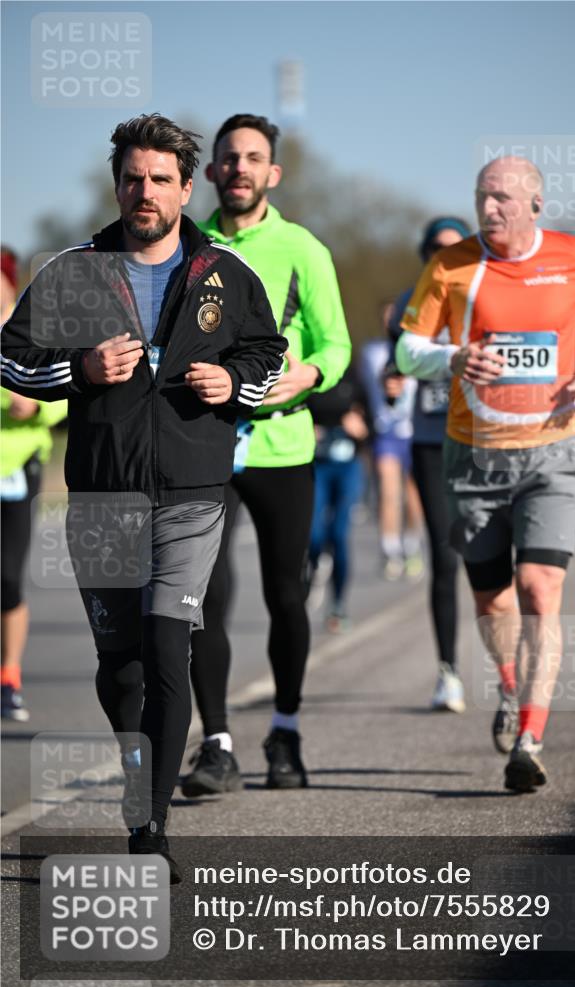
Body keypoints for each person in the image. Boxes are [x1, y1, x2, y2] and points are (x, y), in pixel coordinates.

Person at [1, 114, 287, 878]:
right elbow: (13, 359)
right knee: (120, 665)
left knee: (167, 645)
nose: (146, 191)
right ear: (117, 183)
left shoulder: (223, 272)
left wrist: (235, 383)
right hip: (100, 493)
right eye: (133, 177)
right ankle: (140, 778)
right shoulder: (73, 270)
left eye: (161, 179)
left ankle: (150, 823)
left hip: (193, 491)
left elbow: (266, 354)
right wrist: (78, 371)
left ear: (185, 188)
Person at [397, 156, 575, 792]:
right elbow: (407, 349)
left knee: (538, 588)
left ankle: (530, 739)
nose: (490, 207)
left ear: (535, 205)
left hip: (551, 451)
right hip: (472, 454)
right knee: (492, 597)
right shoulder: (450, 265)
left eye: (503, 197)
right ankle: (508, 685)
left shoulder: (573, 256)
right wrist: (454, 357)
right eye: (483, 195)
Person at [183, 114, 351, 798]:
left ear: (272, 173)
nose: (242, 168)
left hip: (283, 442)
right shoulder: (186, 248)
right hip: (205, 440)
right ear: (212, 173)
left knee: (286, 594)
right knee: (201, 595)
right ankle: (216, 744)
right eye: (230, 158)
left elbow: (335, 345)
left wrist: (307, 375)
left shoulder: (303, 249)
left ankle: (284, 731)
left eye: (255, 157)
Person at [387, 218, 471, 712]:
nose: (444, 256)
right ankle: (449, 672)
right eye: (435, 249)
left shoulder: (486, 297)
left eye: (454, 248)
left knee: (491, 557)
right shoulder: (406, 304)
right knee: (444, 558)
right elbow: (392, 369)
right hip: (430, 443)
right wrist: (391, 385)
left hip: (484, 441)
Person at [1, 248, 68, 720]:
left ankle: (9, 676)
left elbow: (66, 391)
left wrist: (38, 407)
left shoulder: (30, 328)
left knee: (7, 577)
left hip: (17, 466)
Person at [307, 366, 369, 632]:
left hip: (347, 468)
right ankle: (315, 568)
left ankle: (338, 605)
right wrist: (309, 430)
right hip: (318, 466)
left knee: (339, 535)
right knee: (314, 534)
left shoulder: (354, 381)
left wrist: (360, 430)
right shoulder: (309, 377)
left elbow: (371, 429)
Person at [359, 331, 424, 581]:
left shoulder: (419, 350)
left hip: (413, 432)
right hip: (386, 432)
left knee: (413, 495)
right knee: (388, 492)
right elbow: (361, 386)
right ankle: (390, 550)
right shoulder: (372, 352)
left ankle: (411, 543)